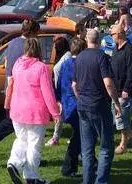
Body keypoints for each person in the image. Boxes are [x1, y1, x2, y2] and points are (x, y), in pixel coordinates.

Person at [0, 19, 39, 167]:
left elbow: (6, 60)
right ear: (33, 33)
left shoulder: (13, 42)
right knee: (14, 123)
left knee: (21, 125)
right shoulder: (29, 47)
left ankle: (30, 159)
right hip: (20, 89)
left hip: (10, 87)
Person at [5, 37, 60, 184]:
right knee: (34, 145)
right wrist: (55, 113)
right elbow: (48, 93)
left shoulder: (17, 64)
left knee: (21, 140)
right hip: (35, 112)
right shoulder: (41, 68)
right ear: (39, 50)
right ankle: (31, 176)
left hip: (17, 110)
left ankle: (14, 162)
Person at [72, 28, 122, 184]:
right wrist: (116, 102)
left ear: (87, 39)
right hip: (99, 105)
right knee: (106, 146)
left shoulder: (79, 57)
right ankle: (101, 181)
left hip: (83, 105)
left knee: (87, 149)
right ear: (99, 40)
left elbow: (74, 85)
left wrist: (81, 98)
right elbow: (108, 83)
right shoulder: (102, 57)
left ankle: (87, 181)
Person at [56, 37, 85, 178]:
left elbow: (58, 84)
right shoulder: (78, 64)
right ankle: (68, 168)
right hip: (77, 105)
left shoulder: (65, 63)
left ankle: (90, 161)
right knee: (79, 137)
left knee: (80, 135)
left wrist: (58, 100)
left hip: (67, 104)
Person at [108, 22, 132, 155]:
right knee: (118, 117)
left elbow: (131, 72)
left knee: (121, 118)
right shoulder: (116, 48)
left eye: (112, 34)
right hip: (116, 88)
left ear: (119, 34)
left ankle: (123, 144)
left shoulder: (130, 50)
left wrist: (126, 89)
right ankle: (129, 133)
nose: (111, 36)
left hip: (125, 90)